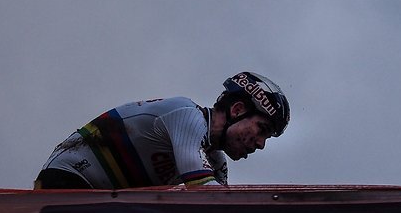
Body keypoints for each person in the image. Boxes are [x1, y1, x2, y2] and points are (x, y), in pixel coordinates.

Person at [34, 71, 290, 189]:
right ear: (237, 110)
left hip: (104, 199)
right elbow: (205, 192)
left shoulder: (216, 160)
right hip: (69, 178)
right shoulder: (187, 114)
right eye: (262, 129)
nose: (260, 144)